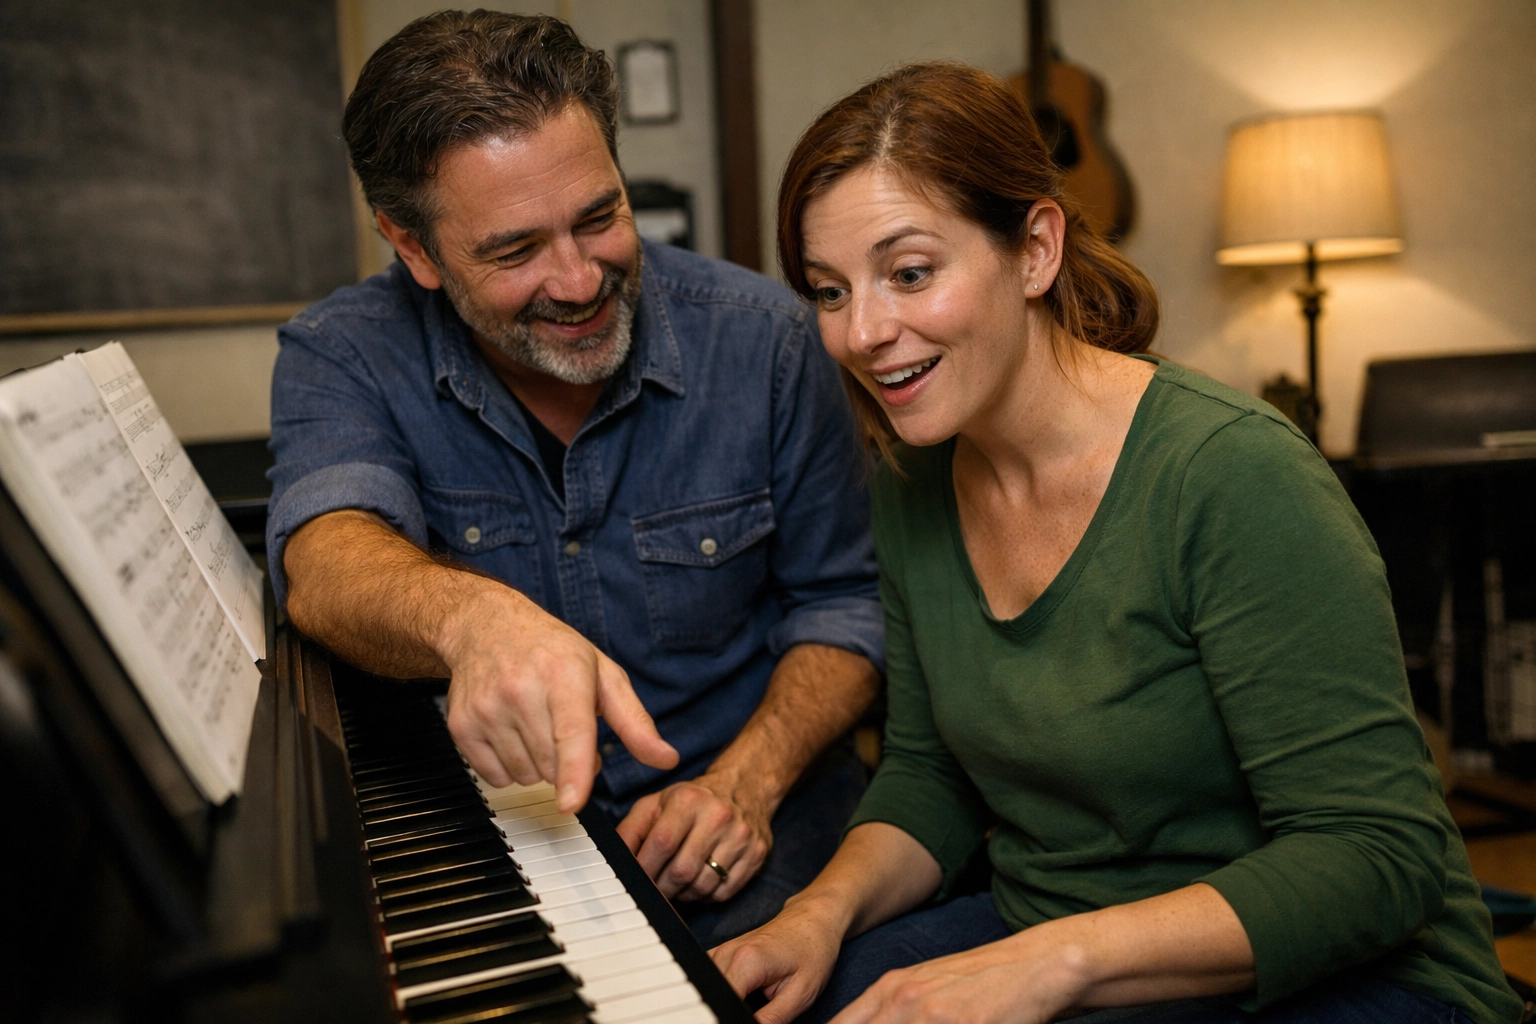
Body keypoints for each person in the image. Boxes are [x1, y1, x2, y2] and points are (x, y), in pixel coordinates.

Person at [710, 62, 1522, 1024]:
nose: (864, 332)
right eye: (829, 291)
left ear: (1036, 249)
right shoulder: (912, 477)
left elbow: (1376, 860)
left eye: (910, 272)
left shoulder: (1231, 474)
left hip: (1347, 975)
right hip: (1063, 938)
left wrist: (1052, 965)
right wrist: (818, 913)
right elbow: (930, 774)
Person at [265, 11, 883, 946]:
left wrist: (746, 782)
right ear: (415, 248)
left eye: (600, 217)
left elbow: (846, 602)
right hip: (502, 858)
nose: (580, 279)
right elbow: (324, 562)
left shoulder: (766, 340)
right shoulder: (339, 353)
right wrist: (471, 619)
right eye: (514, 251)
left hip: (761, 826)